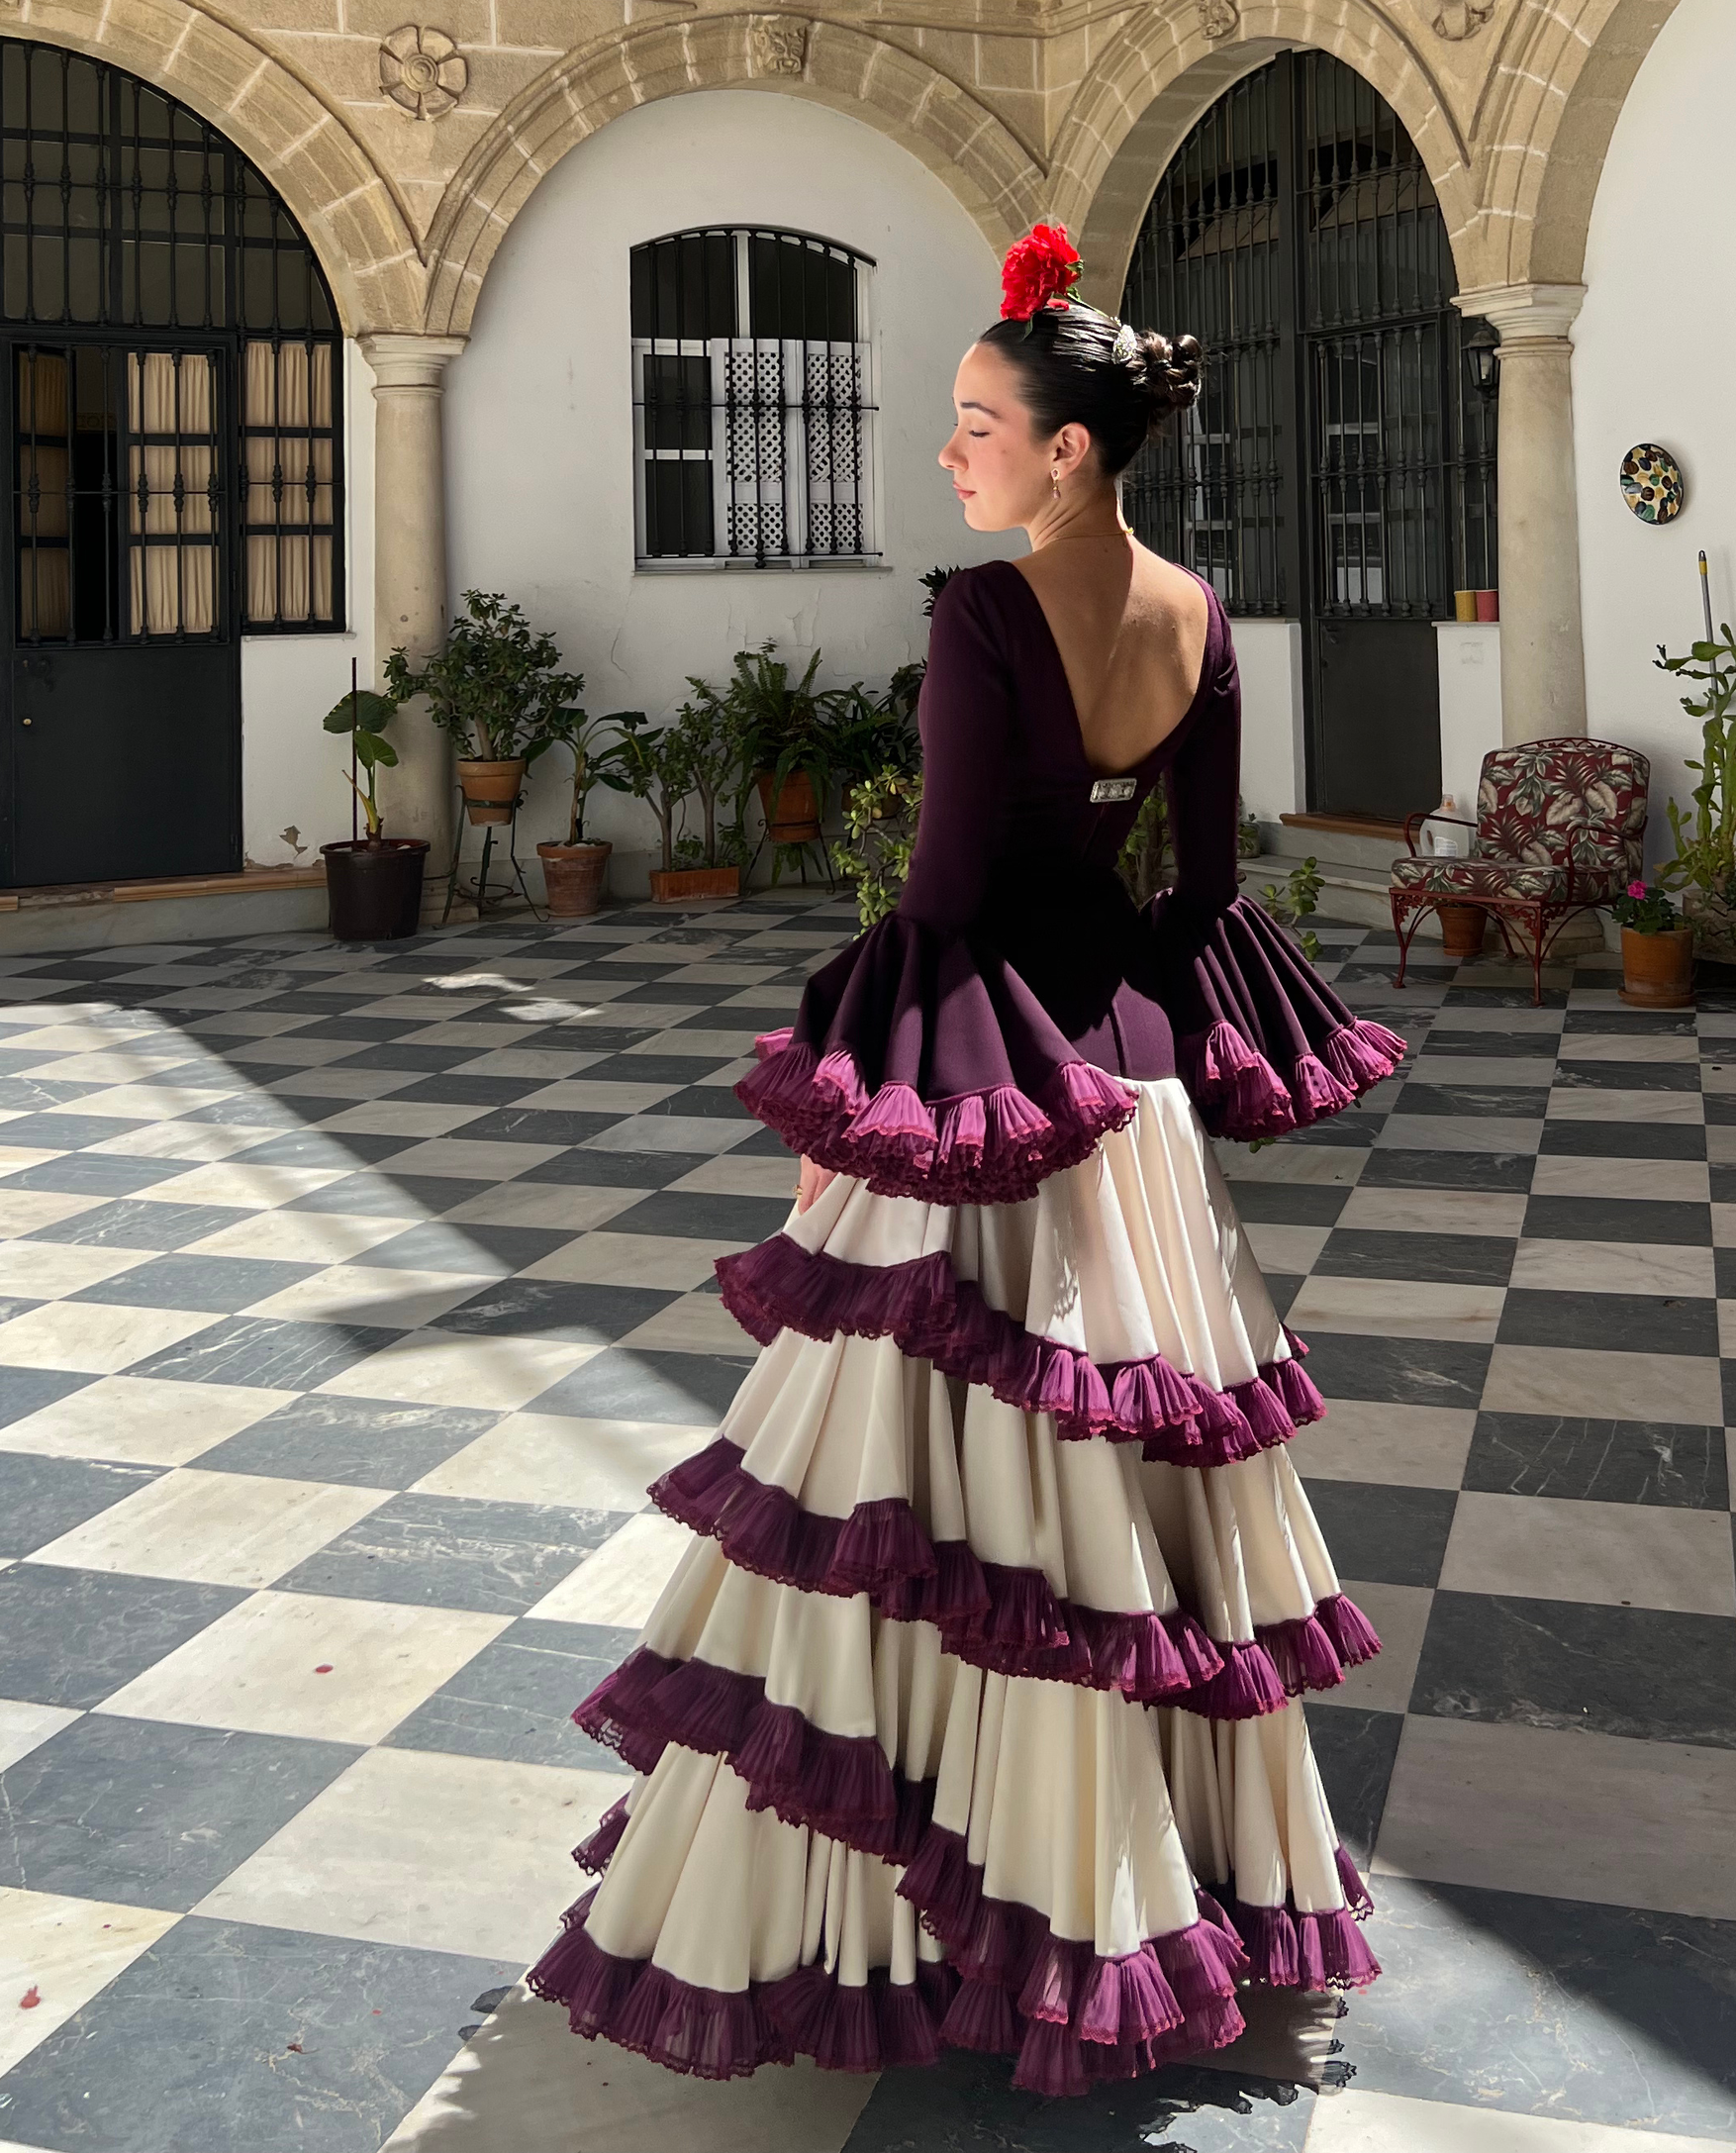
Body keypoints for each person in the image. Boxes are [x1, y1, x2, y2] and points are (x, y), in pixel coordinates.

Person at [530, 220, 1402, 2094]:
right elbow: (1208, 883)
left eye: (975, 420)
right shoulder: (1197, 613)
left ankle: (911, 1915)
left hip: (989, 1079)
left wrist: (871, 1083)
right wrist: (1137, 1058)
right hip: (1129, 1108)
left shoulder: (985, 616)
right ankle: (1138, 1891)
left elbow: (937, 893)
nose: (951, 450)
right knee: (1114, 1503)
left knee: (919, 1500)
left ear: (1068, 446)